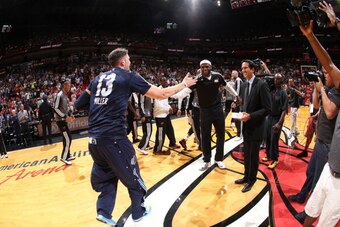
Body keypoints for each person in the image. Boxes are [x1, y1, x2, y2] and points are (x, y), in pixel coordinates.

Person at [74, 48, 197, 225]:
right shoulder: (128, 76)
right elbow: (161, 94)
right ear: (122, 62)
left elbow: (79, 104)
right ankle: (138, 211)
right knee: (133, 174)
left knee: (107, 175)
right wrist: (184, 84)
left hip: (94, 140)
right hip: (114, 137)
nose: (130, 62)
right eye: (129, 59)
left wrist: (101, 106)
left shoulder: (98, 78)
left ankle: (104, 211)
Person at [299, 20, 340, 227]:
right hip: (331, 164)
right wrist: (310, 36)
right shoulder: (336, 86)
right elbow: (329, 64)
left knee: (325, 222)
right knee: (311, 211)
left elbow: (331, 111)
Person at [234, 59, 271, 193]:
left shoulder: (261, 85)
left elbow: (267, 108)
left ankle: (252, 180)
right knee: (246, 154)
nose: (243, 71)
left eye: (245, 68)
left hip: (256, 126)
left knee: (253, 155)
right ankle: (246, 176)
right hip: (246, 126)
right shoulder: (243, 86)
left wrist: (251, 115)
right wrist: (239, 107)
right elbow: (246, 104)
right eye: (242, 68)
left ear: (253, 69)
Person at [262, 73, 288, 169]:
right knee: (267, 137)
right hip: (269, 117)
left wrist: (279, 123)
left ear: (281, 80)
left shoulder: (283, 93)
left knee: (274, 139)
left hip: (277, 118)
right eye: (275, 79)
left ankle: (275, 159)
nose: (275, 80)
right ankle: (268, 155)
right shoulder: (271, 90)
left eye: (277, 79)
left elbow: (284, 110)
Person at [153, 77, 181, 155]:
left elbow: (165, 102)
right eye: (164, 81)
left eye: (166, 81)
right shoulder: (157, 91)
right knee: (161, 133)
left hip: (165, 114)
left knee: (170, 129)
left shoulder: (165, 90)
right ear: (160, 81)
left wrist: (169, 107)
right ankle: (157, 150)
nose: (165, 82)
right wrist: (167, 109)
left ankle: (172, 143)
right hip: (160, 115)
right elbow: (158, 104)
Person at [54, 80, 76, 165]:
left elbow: (66, 108)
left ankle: (68, 155)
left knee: (66, 138)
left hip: (64, 120)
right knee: (68, 138)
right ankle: (64, 157)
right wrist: (65, 116)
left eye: (70, 85)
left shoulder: (65, 95)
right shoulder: (59, 95)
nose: (69, 87)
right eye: (68, 85)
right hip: (60, 121)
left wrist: (70, 114)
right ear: (64, 85)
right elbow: (55, 108)